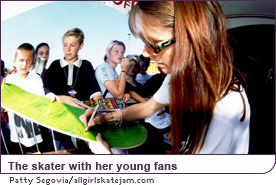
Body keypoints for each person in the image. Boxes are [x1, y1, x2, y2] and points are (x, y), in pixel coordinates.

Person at [80, 1, 250, 154]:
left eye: (154, 44)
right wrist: (106, 116)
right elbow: (147, 108)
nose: (145, 54)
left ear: (191, 40)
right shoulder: (177, 76)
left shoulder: (224, 109)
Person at [43, 28, 103, 150]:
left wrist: (97, 107)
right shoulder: (55, 66)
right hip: (59, 118)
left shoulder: (86, 66)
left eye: (72, 45)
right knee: (62, 151)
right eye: (65, 45)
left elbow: (95, 93)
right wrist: (60, 98)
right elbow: (45, 88)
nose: (67, 49)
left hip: (82, 118)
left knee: (84, 151)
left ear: (81, 46)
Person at [2, 43, 45, 154]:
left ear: (33, 61)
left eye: (28, 60)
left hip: (34, 134)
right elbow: (5, 103)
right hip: (15, 134)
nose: (24, 64)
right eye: (21, 60)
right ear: (14, 61)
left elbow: (40, 101)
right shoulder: (9, 80)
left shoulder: (36, 79)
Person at [94, 40, 131, 154]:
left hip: (115, 115)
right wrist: (124, 70)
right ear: (108, 53)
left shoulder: (113, 71)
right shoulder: (104, 68)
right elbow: (118, 94)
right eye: (116, 51)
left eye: (122, 52)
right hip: (107, 115)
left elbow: (119, 92)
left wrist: (126, 93)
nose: (120, 54)